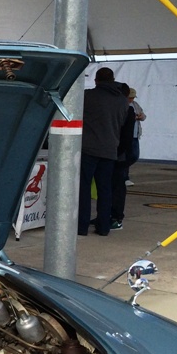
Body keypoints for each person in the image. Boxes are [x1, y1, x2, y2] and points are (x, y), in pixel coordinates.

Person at [78, 67, 128, 236]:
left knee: (84, 188)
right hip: (110, 150)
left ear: (96, 80)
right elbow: (121, 124)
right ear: (113, 79)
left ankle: (82, 226)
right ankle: (104, 227)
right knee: (105, 189)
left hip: (88, 149)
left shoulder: (87, 96)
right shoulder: (122, 101)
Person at [110, 82, 137, 230]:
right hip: (116, 153)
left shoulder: (127, 110)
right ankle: (110, 215)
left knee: (117, 187)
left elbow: (126, 136)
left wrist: (119, 152)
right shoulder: (124, 109)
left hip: (118, 154)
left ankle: (116, 217)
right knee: (111, 186)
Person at [125, 87, 146, 185]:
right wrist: (134, 117)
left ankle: (123, 172)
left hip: (135, 135)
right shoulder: (122, 105)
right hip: (126, 135)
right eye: (130, 97)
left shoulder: (135, 105)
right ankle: (125, 177)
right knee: (126, 156)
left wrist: (141, 116)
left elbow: (143, 115)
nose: (131, 99)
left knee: (134, 156)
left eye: (133, 97)